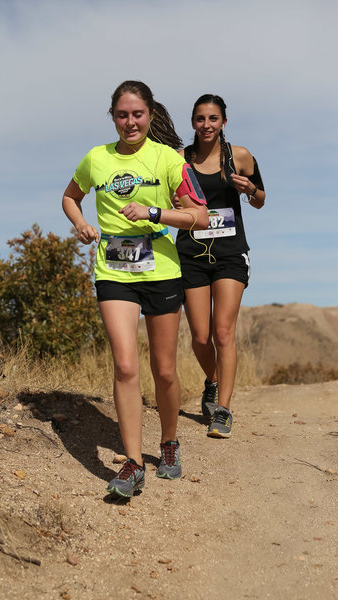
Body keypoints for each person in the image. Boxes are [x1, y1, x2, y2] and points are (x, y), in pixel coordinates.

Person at [62, 81, 209, 497]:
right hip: (114, 272)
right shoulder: (96, 158)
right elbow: (70, 197)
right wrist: (82, 224)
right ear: (113, 116)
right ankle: (131, 462)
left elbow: (198, 217)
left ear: (150, 115)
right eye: (123, 115)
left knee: (163, 370)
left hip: (161, 270)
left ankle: (168, 442)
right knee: (125, 366)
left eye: (138, 114)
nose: (130, 122)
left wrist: (154, 211)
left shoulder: (167, 159)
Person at [175, 94, 265, 439]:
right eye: (200, 119)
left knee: (223, 332)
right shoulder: (179, 159)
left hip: (230, 254)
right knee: (200, 337)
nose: (206, 125)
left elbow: (260, 200)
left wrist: (250, 188)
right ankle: (211, 382)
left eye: (213, 119)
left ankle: (223, 409)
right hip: (190, 253)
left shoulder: (239, 156)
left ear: (223, 122)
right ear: (193, 123)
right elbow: (166, 197)